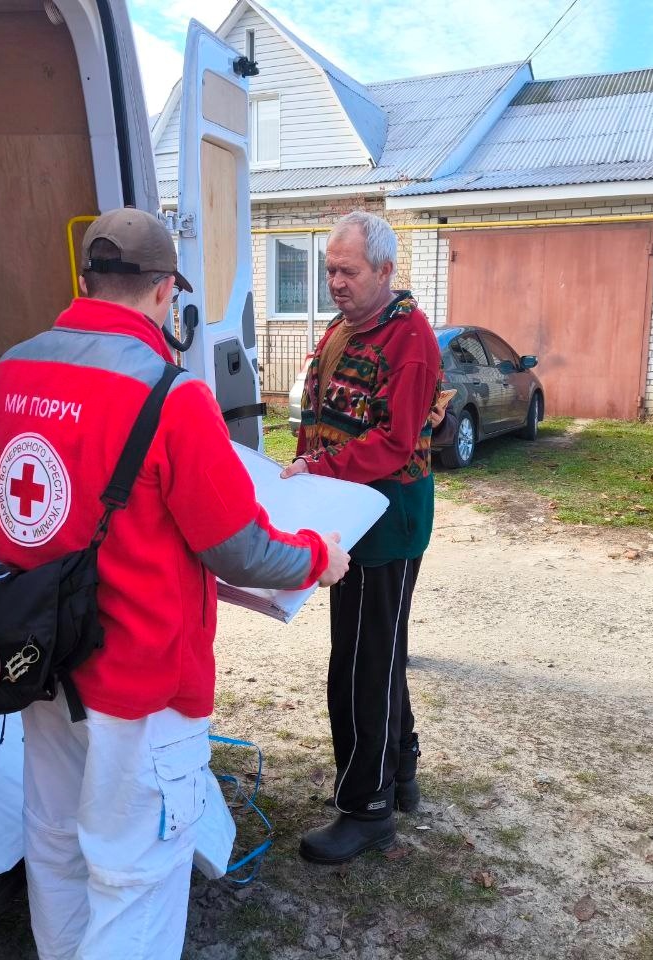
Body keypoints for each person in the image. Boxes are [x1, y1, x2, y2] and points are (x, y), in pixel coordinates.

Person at [0, 209, 350, 960]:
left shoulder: (10, 372)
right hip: (139, 678)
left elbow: (21, 508)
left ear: (86, 279)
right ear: (164, 292)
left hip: (42, 660)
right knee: (137, 875)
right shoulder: (171, 395)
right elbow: (241, 550)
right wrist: (318, 556)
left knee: (55, 846)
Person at [283, 210, 441, 864]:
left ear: (384, 269)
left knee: (359, 664)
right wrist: (303, 473)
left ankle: (366, 807)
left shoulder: (410, 338)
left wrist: (317, 469)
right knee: (380, 652)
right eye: (330, 270)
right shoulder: (343, 329)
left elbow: (394, 441)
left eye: (347, 271)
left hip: (384, 521)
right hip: (345, 512)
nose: (335, 282)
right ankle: (398, 772)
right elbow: (318, 413)